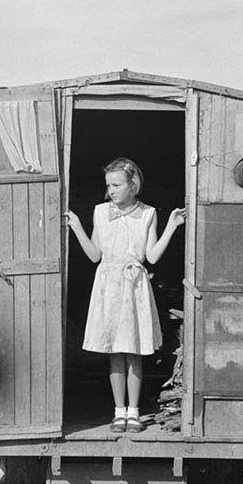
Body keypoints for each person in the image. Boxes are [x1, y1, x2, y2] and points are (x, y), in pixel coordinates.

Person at [66, 157, 186, 433]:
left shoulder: (148, 214)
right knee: (115, 352)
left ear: (134, 185)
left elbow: (152, 256)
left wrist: (171, 225)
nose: (112, 191)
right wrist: (77, 228)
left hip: (134, 287)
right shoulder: (99, 212)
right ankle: (118, 412)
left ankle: (134, 412)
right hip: (108, 286)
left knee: (134, 352)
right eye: (109, 185)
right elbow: (95, 255)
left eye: (117, 185)